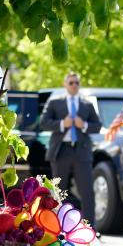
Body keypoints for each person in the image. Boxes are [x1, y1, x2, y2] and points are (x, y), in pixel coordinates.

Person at [39, 72, 102, 221]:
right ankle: (56, 226)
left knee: (87, 191)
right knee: (58, 192)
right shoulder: (55, 102)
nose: (74, 85)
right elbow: (43, 122)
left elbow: (98, 126)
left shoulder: (86, 104)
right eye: (71, 82)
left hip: (82, 151)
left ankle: (90, 228)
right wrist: (62, 124)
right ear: (65, 84)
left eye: (77, 83)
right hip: (61, 151)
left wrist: (84, 125)